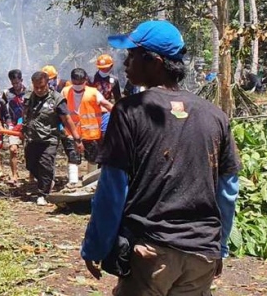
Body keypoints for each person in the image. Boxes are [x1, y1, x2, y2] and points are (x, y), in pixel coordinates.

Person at [81, 20, 240, 295]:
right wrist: (219, 247)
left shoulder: (129, 112)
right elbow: (227, 191)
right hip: (201, 255)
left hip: (151, 252)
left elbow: (113, 188)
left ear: (154, 61)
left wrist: (97, 245)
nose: (126, 63)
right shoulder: (215, 116)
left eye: (132, 55)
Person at [23, 71, 81, 205]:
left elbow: (67, 119)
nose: (38, 90)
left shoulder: (56, 99)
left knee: (46, 165)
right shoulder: (28, 97)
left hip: (49, 139)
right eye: (36, 87)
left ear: (47, 84)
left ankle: (44, 193)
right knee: (30, 164)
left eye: (41, 87)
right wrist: (22, 129)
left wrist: (76, 138)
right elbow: (25, 113)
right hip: (32, 138)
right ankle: (48, 181)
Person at [62, 68, 113, 179]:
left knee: (92, 159)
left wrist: (120, 115)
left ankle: (90, 180)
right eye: (75, 83)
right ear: (71, 80)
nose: (78, 85)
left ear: (85, 80)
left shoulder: (93, 92)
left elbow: (107, 105)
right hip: (71, 131)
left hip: (91, 133)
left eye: (80, 83)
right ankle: (73, 182)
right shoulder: (65, 91)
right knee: (73, 157)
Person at [2, 69, 26, 186]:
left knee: (30, 151)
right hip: (13, 125)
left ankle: (32, 175)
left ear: (21, 80)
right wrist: (7, 122)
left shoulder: (29, 92)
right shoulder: (7, 93)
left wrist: (24, 121)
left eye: (17, 83)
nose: (16, 85)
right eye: (13, 83)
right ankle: (14, 174)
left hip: (27, 126)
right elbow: (1, 107)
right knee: (13, 149)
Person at [91, 54, 121, 136]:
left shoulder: (114, 80)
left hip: (107, 111)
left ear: (111, 66)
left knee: (105, 134)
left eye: (106, 67)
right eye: (101, 68)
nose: (104, 69)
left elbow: (118, 97)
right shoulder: (91, 79)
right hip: (93, 111)